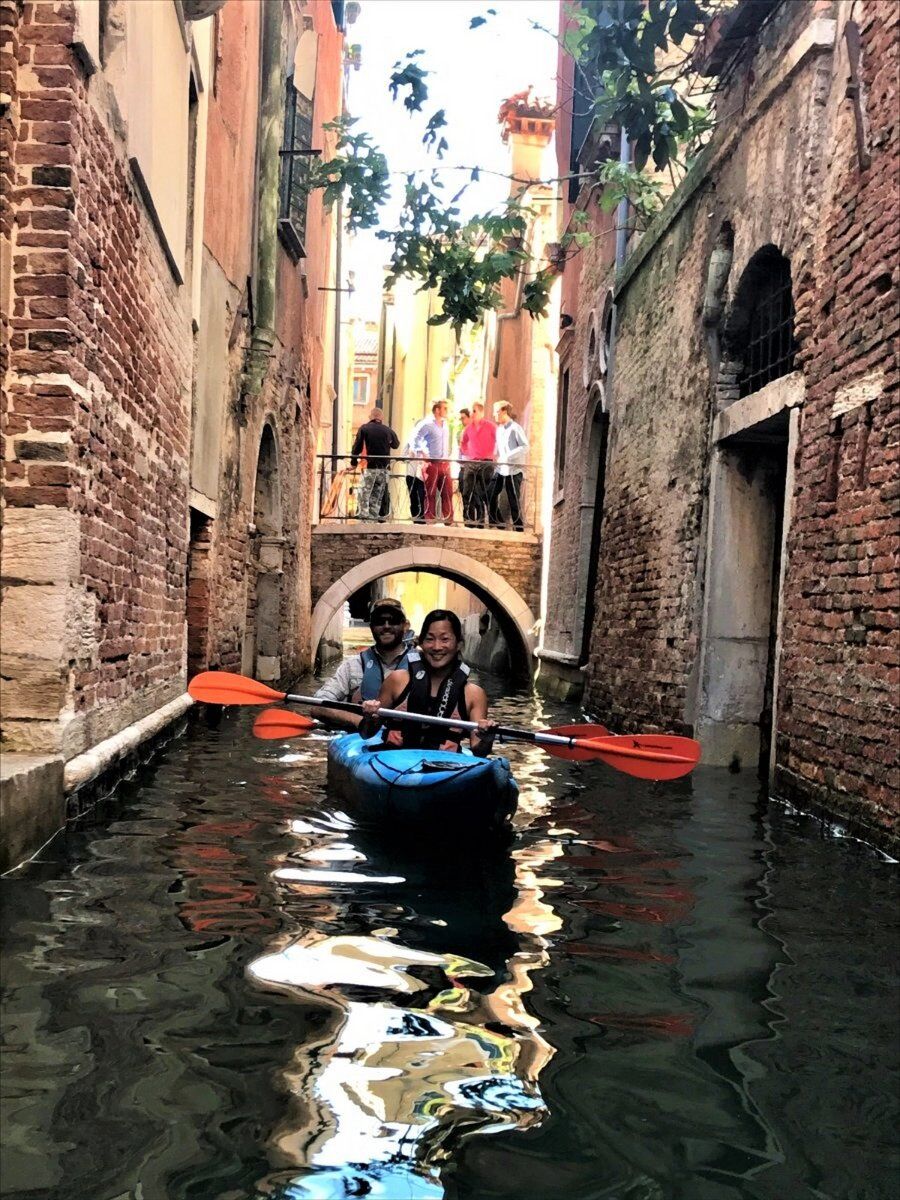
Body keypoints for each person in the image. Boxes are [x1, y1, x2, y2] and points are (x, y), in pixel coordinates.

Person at [360, 609, 498, 756]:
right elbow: (366, 733)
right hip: (393, 759)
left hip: (443, 765)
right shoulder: (397, 680)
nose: (437, 647)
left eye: (445, 639)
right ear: (421, 643)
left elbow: (480, 752)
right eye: (430, 639)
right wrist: (369, 718)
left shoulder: (474, 694)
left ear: (459, 644)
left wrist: (487, 739)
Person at [314, 597, 417, 730]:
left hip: (405, 738)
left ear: (405, 625)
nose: (386, 626)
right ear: (371, 627)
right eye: (379, 621)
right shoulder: (353, 666)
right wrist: (357, 721)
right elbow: (318, 706)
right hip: (360, 736)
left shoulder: (422, 665)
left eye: (394, 620)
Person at [350, 407, 399, 521]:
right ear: (382, 418)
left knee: (364, 493)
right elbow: (396, 445)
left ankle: (363, 518)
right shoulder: (388, 430)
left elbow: (357, 447)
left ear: (370, 417)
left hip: (370, 467)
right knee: (377, 496)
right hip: (383, 469)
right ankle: (373, 518)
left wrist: (354, 462)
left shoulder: (364, 428)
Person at [489, 402, 528, 531]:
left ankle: (519, 529)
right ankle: (498, 521)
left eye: (496, 412)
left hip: (514, 470)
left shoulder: (516, 428)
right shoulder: (499, 430)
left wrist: (507, 456)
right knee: (490, 493)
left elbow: (525, 447)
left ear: (504, 412)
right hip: (501, 470)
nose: (494, 415)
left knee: (513, 501)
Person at [415, 400, 453, 524]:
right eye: (444, 408)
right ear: (437, 410)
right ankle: (430, 520)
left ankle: (448, 519)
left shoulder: (446, 425)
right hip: (431, 463)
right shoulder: (426, 424)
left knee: (447, 492)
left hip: (445, 463)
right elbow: (415, 440)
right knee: (430, 493)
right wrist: (422, 454)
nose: (446, 411)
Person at [459, 400, 496, 526]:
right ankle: (468, 521)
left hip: (486, 463)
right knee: (467, 492)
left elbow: (500, 440)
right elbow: (463, 443)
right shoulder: (468, 428)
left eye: (474, 411)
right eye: (471, 411)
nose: (472, 413)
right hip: (472, 463)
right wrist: (467, 453)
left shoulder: (490, 426)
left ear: (481, 412)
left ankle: (481, 521)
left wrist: (495, 454)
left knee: (482, 493)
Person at [402, 415, 428, 522]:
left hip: (423, 475)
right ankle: (415, 518)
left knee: (422, 496)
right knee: (412, 497)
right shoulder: (410, 442)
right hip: (411, 473)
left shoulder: (428, 443)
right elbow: (403, 457)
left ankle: (422, 518)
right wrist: (409, 456)